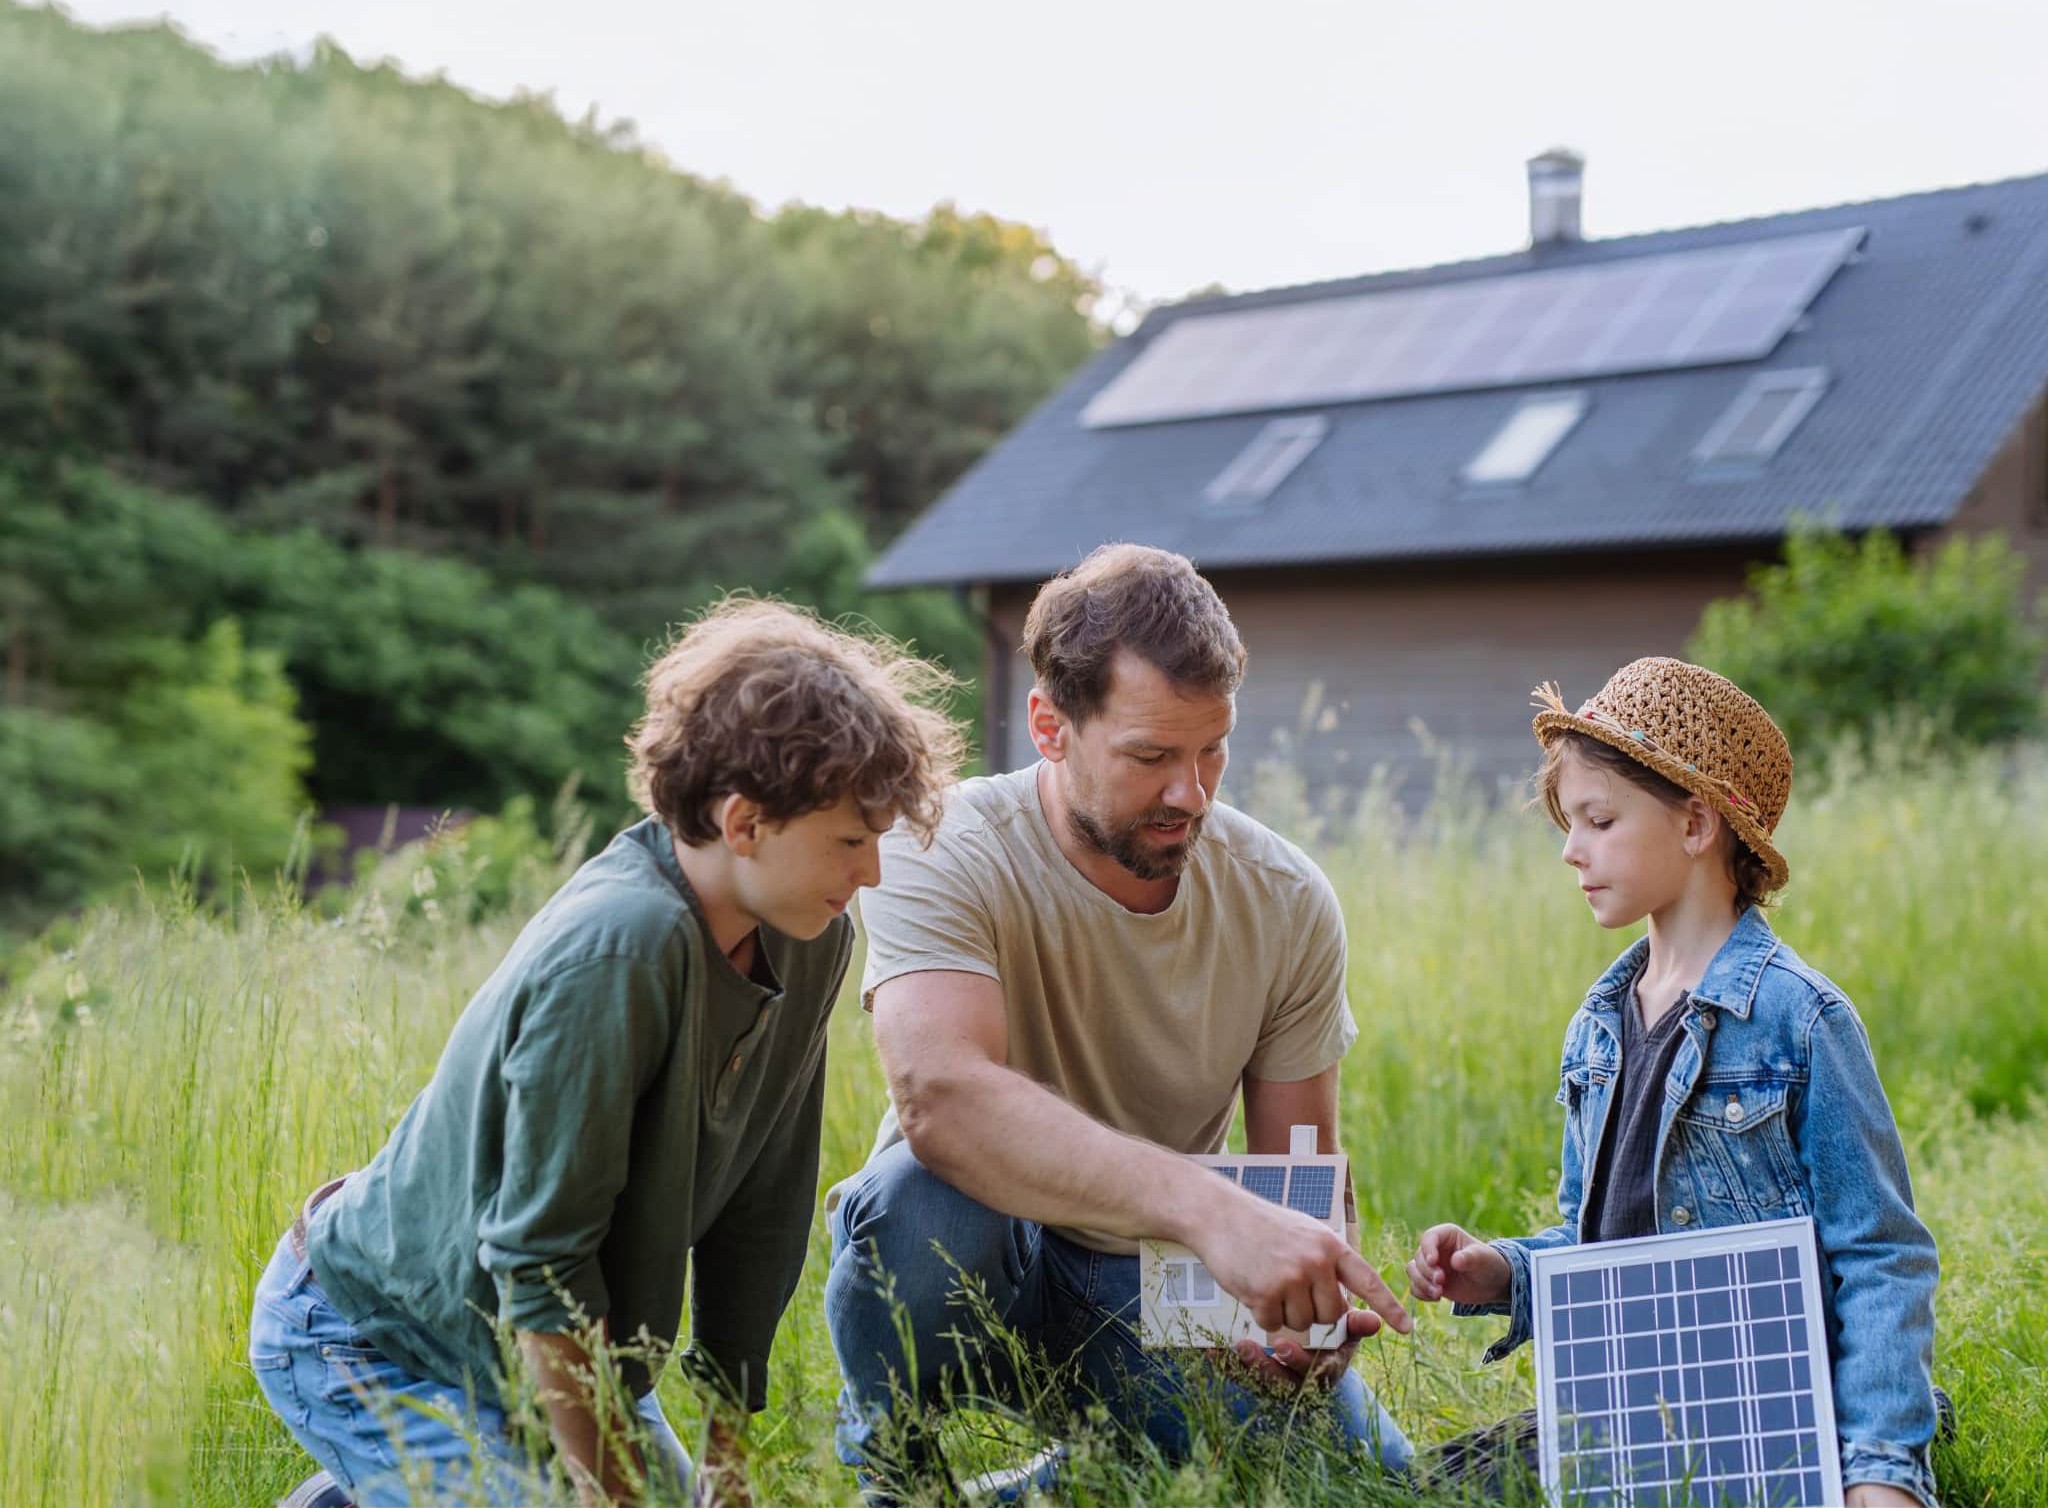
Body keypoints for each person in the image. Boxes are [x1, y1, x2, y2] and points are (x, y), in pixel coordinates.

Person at [248, 600, 964, 1507]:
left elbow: (764, 1201)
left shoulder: (812, 938)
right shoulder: (619, 951)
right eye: (852, 841)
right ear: (744, 824)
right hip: (380, 1340)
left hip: (566, 1350)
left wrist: (728, 1446)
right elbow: (541, 1259)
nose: (871, 874)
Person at [823, 543, 1414, 1498]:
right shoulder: (938, 843)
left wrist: (1305, 1315)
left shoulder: (1286, 899)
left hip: (1160, 1280)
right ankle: (897, 1478)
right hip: (981, 1252)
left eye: (1212, 748)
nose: (1192, 793)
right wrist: (1213, 1211)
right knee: (922, 1200)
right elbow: (943, 1101)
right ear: (1049, 727)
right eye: (1151, 757)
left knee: (1361, 1480)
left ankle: (1052, 1486)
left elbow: (1298, 1176)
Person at [1405, 657, 1941, 1507]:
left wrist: (1881, 1474)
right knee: (1409, 1487)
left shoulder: (1801, 1021)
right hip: (1633, 1410)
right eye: (1569, 823)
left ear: (1695, 824)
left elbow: (1881, 1256)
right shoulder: (1596, 1030)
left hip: (1774, 1416)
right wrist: (1503, 1271)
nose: (1571, 849)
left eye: (1600, 820)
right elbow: (1603, 1253)